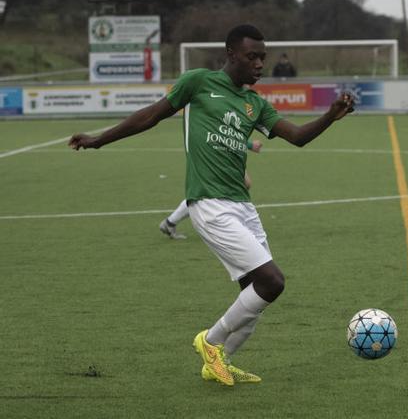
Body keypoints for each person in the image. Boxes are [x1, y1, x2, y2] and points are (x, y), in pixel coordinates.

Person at [69, 24, 355, 386]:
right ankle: (211, 341)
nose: (259, 64)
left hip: (242, 206)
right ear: (231, 54)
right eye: (252, 56)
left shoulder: (255, 104)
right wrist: (98, 141)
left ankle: (219, 362)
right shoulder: (198, 82)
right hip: (209, 203)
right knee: (272, 281)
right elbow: (149, 116)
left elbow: (296, 137)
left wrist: (330, 117)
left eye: (263, 57)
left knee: (253, 299)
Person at [159, 139, 263, 240]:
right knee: (210, 191)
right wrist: (250, 145)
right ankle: (171, 222)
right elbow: (224, 132)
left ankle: (170, 222)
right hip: (216, 151)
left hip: (223, 150)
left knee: (243, 184)